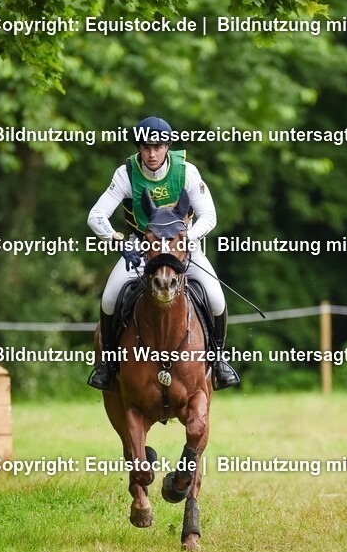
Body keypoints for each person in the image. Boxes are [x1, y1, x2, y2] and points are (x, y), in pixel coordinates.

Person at [86, 116, 240, 391]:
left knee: (216, 298)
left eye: (157, 147)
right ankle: (108, 364)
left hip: (184, 248)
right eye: (145, 148)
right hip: (141, 248)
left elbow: (210, 216)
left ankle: (218, 361)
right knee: (110, 298)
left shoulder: (187, 172)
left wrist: (186, 239)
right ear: (139, 149)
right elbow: (96, 216)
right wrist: (118, 241)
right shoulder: (126, 174)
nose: (151, 154)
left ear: (167, 146)